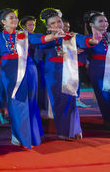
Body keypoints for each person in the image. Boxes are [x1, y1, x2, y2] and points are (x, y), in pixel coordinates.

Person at [0, 8, 64, 148]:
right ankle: (18, 133)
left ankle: (33, 134)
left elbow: (39, 38)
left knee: (30, 102)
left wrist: (54, 36)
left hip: (29, 70)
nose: (15, 20)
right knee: (15, 102)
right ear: (3, 22)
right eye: (11, 18)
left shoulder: (23, 34)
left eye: (15, 17)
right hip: (9, 72)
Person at [38, 8, 100, 140]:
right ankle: (63, 131)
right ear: (48, 26)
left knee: (71, 100)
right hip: (53, 73)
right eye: (53, 23)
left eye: (59, 21)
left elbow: (85, 40)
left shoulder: (70, 36)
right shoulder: (44, 39)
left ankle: (75, 129)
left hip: (69, 70)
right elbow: (37, 54)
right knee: (59, 102)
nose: (57, 25)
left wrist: (93, 39)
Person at [83, 11, 110, 128]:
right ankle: (108, 120)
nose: (105, 23)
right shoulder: (88, 39)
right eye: (101, 21)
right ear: (92, 25)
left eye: (106, 21)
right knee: (103, 95)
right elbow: (84, 55)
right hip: (98, 69)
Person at [61, 18, 91, 108]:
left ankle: (77, 99)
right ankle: (66, 101)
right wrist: (73, 50)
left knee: (75, 81)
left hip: (74, 63)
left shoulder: (72, 36)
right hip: (61, 65)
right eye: (65, 26)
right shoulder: (55, 37)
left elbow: (83, 43)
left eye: (68, 26)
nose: (67, 28)